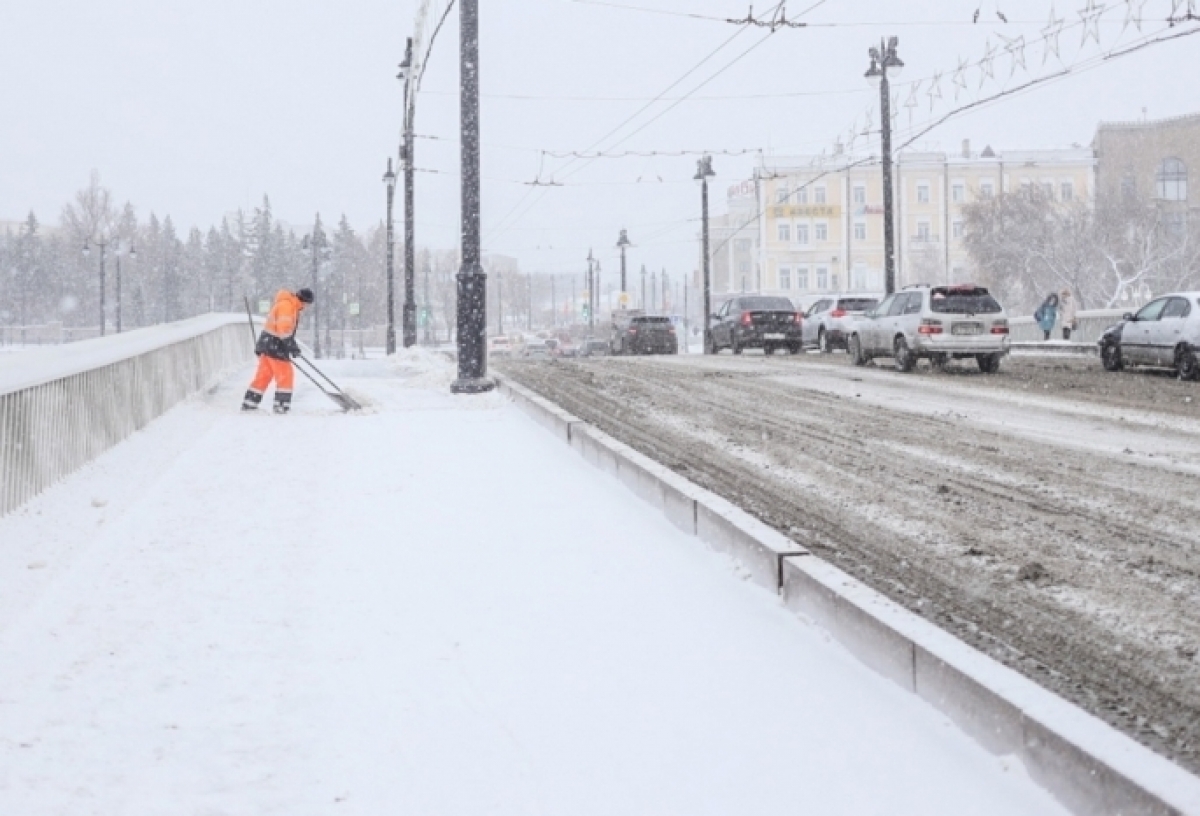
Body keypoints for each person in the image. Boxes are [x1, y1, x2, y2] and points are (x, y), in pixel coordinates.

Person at [242, 288, 314, 414]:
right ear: (304, 301)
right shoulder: (288, 306)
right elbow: (283, 329)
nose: (306, 307)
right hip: (275, 345)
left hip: (267, 344)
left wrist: (290, 346)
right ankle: (281, 406)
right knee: (286, 375)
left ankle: (250, 403)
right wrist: (292, 346)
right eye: (307, 304)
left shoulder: (286, 303)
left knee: (263, 376)